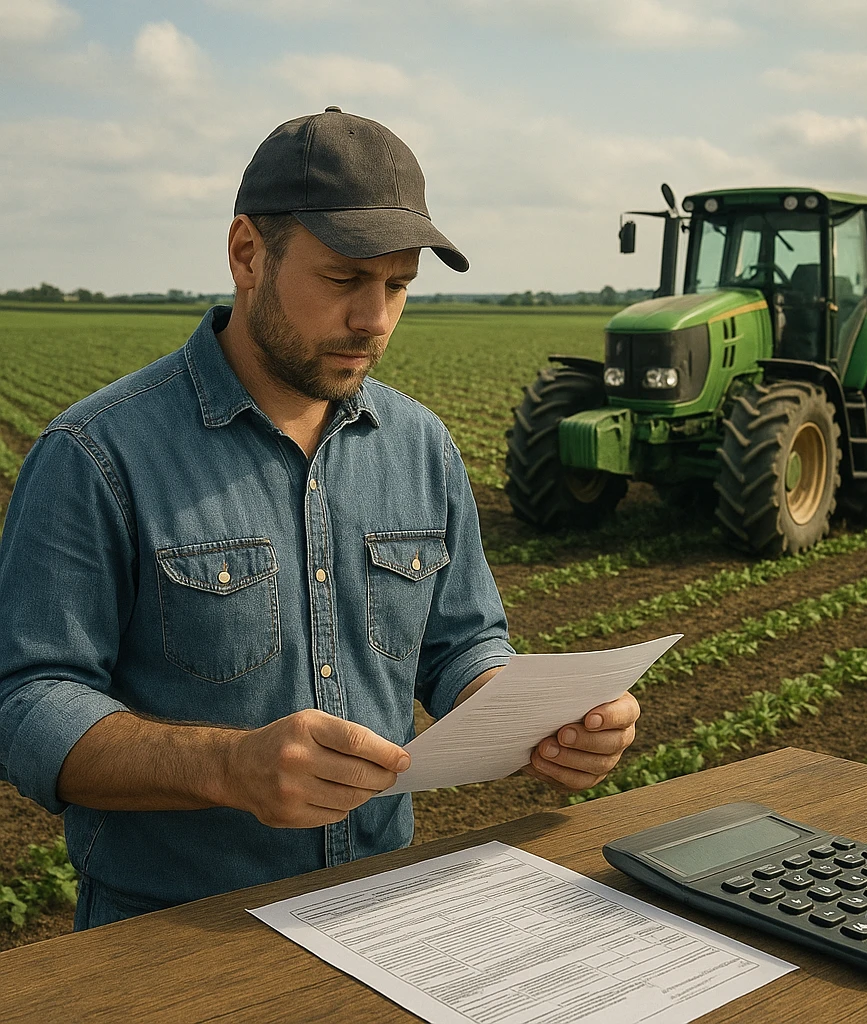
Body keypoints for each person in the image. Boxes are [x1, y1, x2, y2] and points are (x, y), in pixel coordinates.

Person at [0, 109, 641, 929]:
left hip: (385, 909)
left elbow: (460, 644)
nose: (375, 319)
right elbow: (28, 701)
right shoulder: (97, 454)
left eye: (398, 285)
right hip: (172, 931)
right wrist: (229, 767)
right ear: (246, 255)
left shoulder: (419, 445)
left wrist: (540, 719)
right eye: (344, 279)